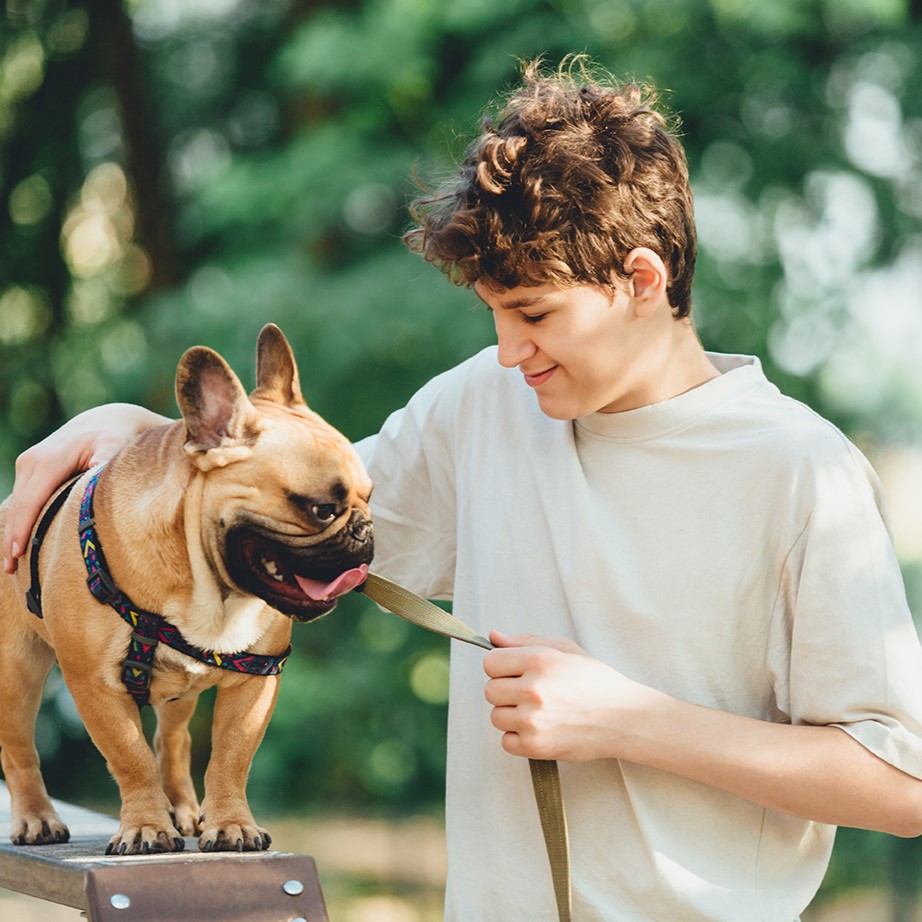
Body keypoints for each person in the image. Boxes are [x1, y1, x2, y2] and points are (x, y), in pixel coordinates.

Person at [4, 57, 922, 921]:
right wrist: (128, 430)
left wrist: (631, 721)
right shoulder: (485, 401)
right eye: (493, 315)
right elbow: (280, 500)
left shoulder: (802, 470)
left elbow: (902, 784)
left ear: (643, 279)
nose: (509, 349)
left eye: (533, 314)